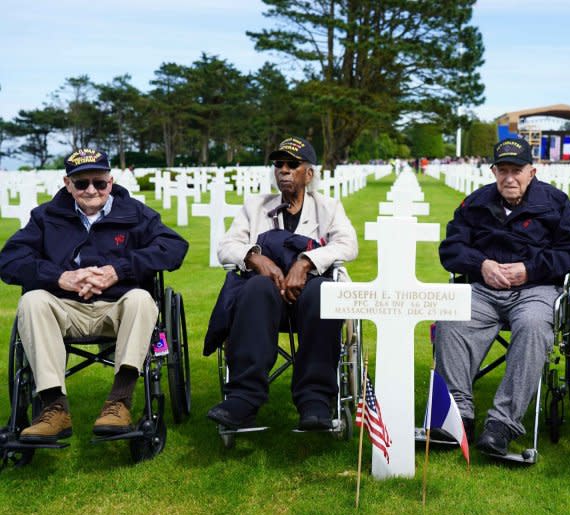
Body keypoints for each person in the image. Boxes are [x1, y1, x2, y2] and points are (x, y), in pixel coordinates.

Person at [0, 148, 188, 442]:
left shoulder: (136, 214)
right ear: (67, 184)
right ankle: (53, 408)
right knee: (32, 301)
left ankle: (119, 402)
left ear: (110, 182)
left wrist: (118, 270)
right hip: (65, 308)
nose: (91, 190)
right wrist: (61, 277)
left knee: (141, 299)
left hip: (117, 308)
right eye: (81, 183)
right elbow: (9, 260)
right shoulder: (46, 216)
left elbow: (174, 247)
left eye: (99, 183)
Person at [435, 138, 570, 455]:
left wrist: (530, 269)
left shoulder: (556, 202)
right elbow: (451, 248)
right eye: (502, 170)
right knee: (450, 321)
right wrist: (481, 264)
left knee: (533, 327)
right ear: (493, 171)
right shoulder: (475, 203)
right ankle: (457, 415)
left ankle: (502, 424)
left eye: (516, 170)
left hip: (536, 289)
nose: (509, 178)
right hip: (483, 289)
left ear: (532, 171)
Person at [205, 136, 358, 431]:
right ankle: (245, 396)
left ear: (309, 173)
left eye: (292, 165)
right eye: (279, 165)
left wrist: (306, 262)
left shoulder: (328, 207)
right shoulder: (256, 206)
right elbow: (226, 246)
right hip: (267, 297)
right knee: (255, 288)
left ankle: (315, 398)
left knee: (322, 293)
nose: (284, 170)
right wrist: (255, 257)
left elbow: (347, 245)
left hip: (309, 296)